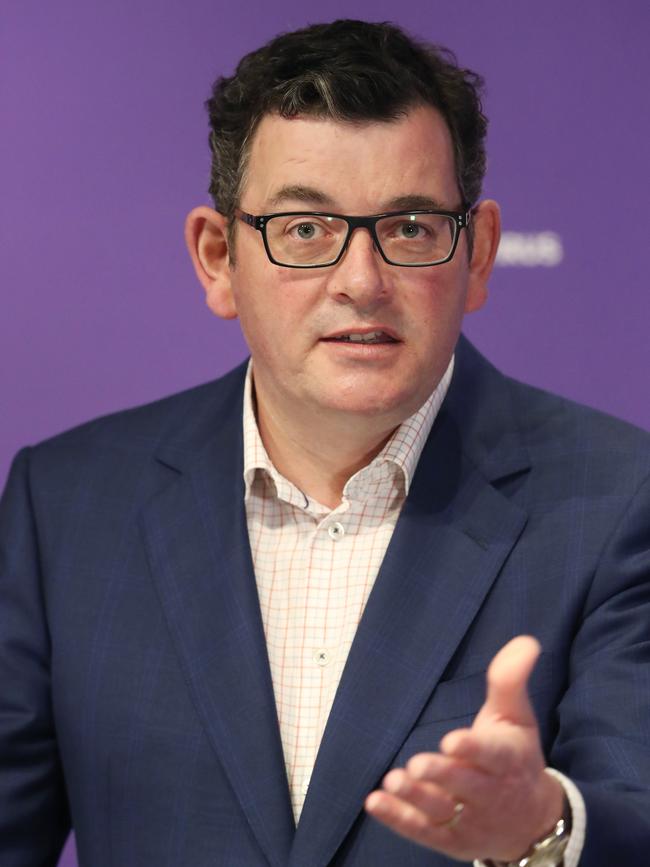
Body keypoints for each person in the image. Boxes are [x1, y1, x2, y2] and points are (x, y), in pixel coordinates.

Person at [1, 18, 649, 867]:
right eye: (305, 230)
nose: (361, 281)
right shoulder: (68, 504)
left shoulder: (618, 497)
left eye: (411, 226)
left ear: (479, 254)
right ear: (217, 259)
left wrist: (545, 828)